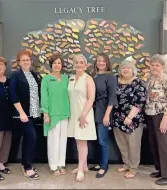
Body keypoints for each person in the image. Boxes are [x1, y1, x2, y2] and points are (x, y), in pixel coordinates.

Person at [9, 50, 42, 180]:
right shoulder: (16, 76)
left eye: (28, 60)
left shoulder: (34, 75)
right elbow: (13, 95)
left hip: (34, 113)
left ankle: (26, 163)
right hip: (22, 114)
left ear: (31, 61)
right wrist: (22, 112)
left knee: (30, 139)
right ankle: (27, 167)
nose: (26, 62)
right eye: (23, 60)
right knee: (31, 137)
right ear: (19, 62)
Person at [112, 59, 146, 179]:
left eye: (128, 68)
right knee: (122, 144)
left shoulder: (138, 83)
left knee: (133, 145)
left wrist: (130, 117)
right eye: (123, 68)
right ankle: (126, 164)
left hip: (133, 121)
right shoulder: (116, 82)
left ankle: (134, 168)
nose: (125, 70)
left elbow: (140, 101)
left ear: (133, 71)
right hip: (117, 119)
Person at [145, 54, 167, 185]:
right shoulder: (149, 78)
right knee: (154, 144)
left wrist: (165, 120)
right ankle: (161, 170)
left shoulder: (166, 79)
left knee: (164, 145)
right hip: (150, 114)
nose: (154, 67)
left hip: (162, 116)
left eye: (157, 65)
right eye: (152, 65)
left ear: (162, 67)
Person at [68, 54, 97, 182]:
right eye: (76, 62)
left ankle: (80, 169)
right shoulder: (71, 78)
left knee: (82, 141)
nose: (79, 64)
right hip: (73, 114)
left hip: (84, 114)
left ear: (86, 65)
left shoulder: (88, 79)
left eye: (81, 62)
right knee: (78, 140)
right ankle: (83, 166)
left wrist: (83, 114)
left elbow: (91, 98)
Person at [41, 54, 70, 176]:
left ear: (62, 65)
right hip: (52, 115)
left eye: (59, 63)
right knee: (53, 141)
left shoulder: (66, 78)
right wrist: (46, 114)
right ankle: (53, 166)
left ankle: (61, 164)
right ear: (51, 65)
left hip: (65, 113)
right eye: (54, 63)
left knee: (63, 141)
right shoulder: (46, 79)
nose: (57, 65)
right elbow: (44, 97)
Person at [89, 53, 117, 178]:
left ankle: (104, 166)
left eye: (103, 61)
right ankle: (99, 163)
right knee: (95, 140)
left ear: (107, 63)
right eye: (98, 61)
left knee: (102, 140)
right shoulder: (92, 76)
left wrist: (107, 115)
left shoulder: (110, 77)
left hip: (103, 111)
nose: (100, 63)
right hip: (92, 110)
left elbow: (112, 97)